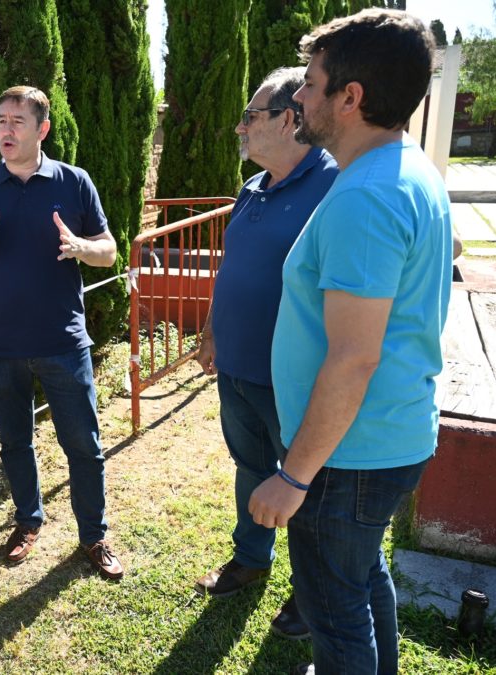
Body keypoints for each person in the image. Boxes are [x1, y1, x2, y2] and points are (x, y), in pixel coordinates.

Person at [248, 10, 452, 675]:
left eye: (310, 84)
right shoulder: (404, 168)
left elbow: (354, 355)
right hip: (383, 439)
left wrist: (293, 474)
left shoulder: (366, 196)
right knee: (362, 580)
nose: (299, 98)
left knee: (334, 610)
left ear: (351, 96)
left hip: (347, 456)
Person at [0, 86, 124, 581]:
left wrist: (82, 245)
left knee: (83, 444)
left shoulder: (75, 182)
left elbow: (109, 251)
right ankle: (28, 521)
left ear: (42, 129)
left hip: (63, 342)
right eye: (1, 120)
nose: (6, 130)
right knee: (15, 442)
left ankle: (95, 535)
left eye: (18, 122)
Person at [193, 67, 338, 641]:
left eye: (250, 117)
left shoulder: (333, 186)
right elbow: (232, 270)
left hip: (294, 380)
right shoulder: (253, 189)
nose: (240, 128)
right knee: (250, 468)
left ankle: (311, 595)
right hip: (237, 368)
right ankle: (251, 559)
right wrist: (210, 332)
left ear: (289, 118)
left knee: (304, 485)